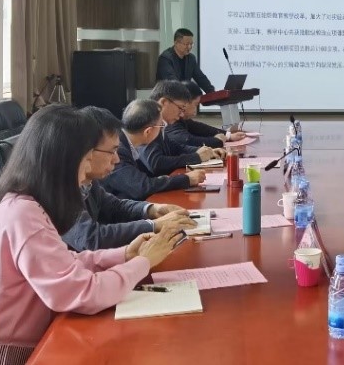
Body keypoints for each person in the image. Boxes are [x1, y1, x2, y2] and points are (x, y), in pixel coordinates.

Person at [0, 105, 184, 365]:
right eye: (86, 159)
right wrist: (143, 262)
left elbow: (64, 262)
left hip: (15, 346)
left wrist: (125, 254)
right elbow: (83, 293)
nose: (87, 171)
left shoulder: (24, 202)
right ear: (63, 162)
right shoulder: (22, 214)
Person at [62, 107, 199, 251]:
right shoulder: (60, 189)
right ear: (85, 151)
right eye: (111, 151)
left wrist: (152, 209)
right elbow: (92, 239)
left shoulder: (88, 180)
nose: (116, 159)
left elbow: (114, 206)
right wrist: (154, 225)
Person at [103, 99, 205, 201]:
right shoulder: (116, 150)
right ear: (148, 132)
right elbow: (141, 187)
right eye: (161, 126)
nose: (162, 130)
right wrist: (187, 179)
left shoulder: (127, 143)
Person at [145, 81, 224, 175]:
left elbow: (177, 148)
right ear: (164, 102)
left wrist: (206, 152)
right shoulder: (146, 123)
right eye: (180, 108)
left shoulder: (161, 125)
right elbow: (156, 163)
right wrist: (196, 157)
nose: (182, 114)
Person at [175, 80, 247, 148]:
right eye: (196, 104)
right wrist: (217, 141)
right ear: (184, 103)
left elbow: (200, 128)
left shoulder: (182, 119)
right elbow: (188, 140)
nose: (196, 109)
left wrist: (229, 135)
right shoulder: (172, 119)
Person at [156, 28, 214, 93]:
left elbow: (200, 78)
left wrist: (212, 93)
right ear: (176, 43)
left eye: (191, 44)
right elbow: (172, 83)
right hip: (167, 96)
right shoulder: (165, 58)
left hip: (184, 96)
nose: (189, 47)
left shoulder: (191, 58)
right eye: (186, 44)